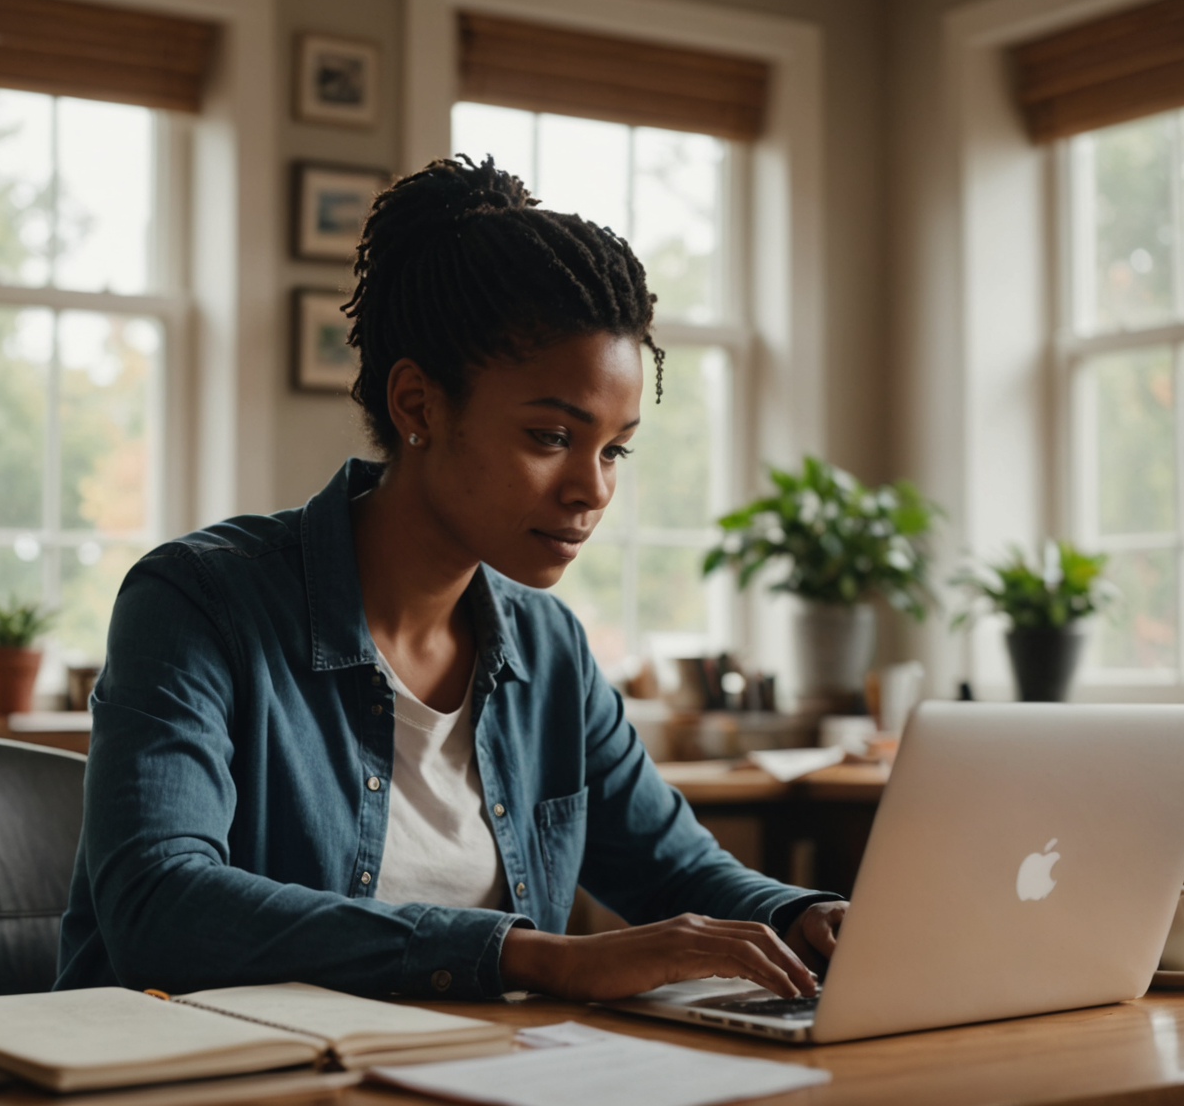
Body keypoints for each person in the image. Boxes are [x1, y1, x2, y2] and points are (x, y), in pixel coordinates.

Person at [56, 157, 847, 1002]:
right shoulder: (198, 604)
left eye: (613, 448)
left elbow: (670, 866)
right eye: (550, 436)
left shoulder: (551, 650)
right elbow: (159, 908)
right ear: (418, 406)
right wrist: (540, 956)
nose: (593, 488)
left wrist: (808, 915)